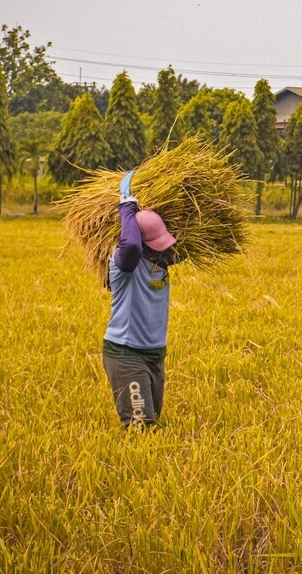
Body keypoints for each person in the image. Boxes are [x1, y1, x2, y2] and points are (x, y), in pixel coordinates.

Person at [101, 171, 179, 428]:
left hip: (155, 353)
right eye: (155, 243)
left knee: (153, 422)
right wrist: (126, 207)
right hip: (126, 352)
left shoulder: (163, 259)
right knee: (140, 426)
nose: (163, 247)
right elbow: (132, 246)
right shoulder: (123, 265)